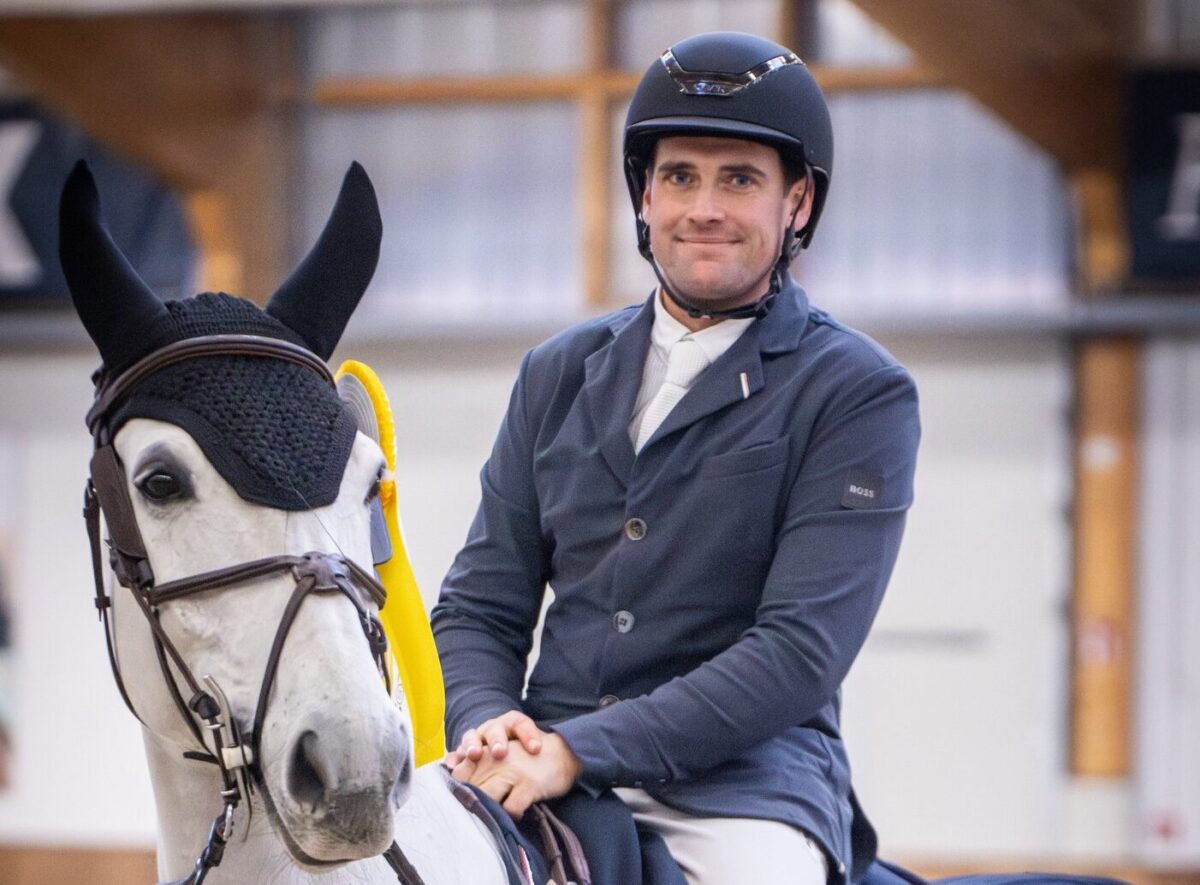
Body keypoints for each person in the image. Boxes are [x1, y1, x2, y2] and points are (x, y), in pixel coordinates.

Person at [431, 30, 920, 885]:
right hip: (535, 762)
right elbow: (481, 603)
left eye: (740, 179)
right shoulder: (556, 370)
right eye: (680, 177)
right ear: (644, 197)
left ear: (796, 203)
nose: (705, 207)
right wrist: (488, 721)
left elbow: (798, 652)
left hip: (739, 790)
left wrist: (577, 751)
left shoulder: (857, 390)